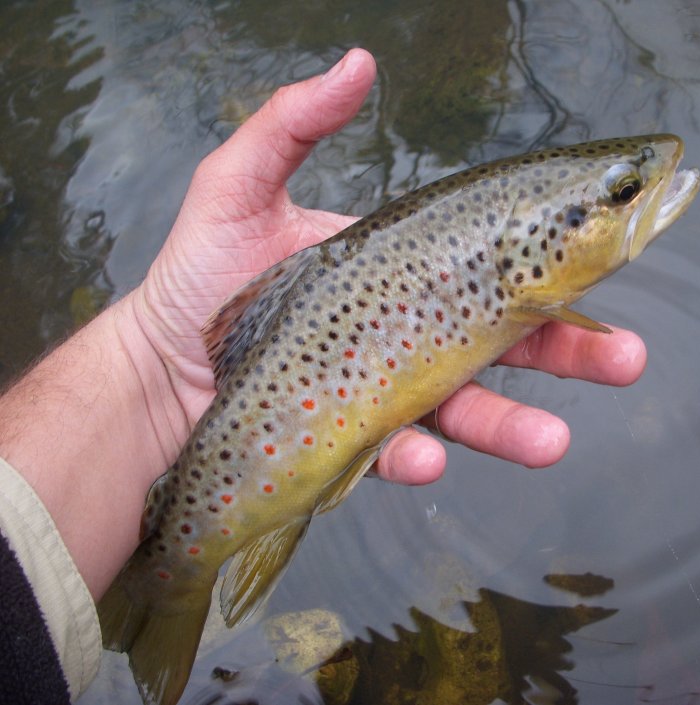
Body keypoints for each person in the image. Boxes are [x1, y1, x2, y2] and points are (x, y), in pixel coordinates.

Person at [0, 48, 646, 704]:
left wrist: (145, 356)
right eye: (623, 192)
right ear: (530, 251)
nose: (636, 196)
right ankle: (163, 588)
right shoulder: (520, 275)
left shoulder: (521, 280)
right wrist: (150, 353)